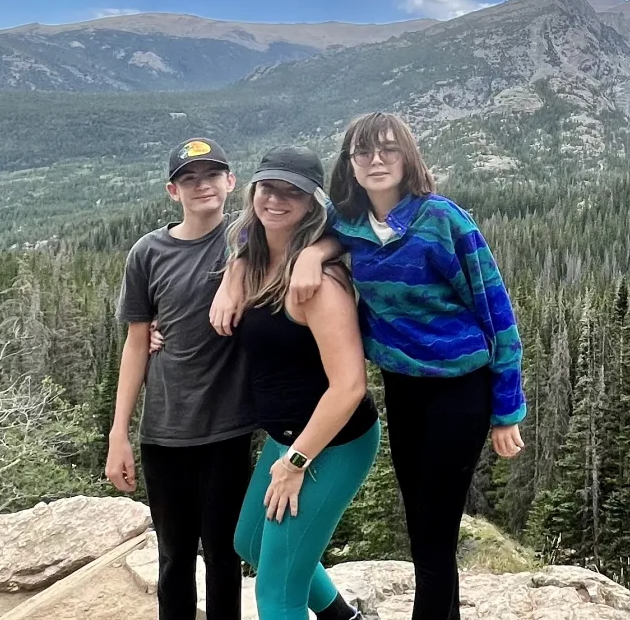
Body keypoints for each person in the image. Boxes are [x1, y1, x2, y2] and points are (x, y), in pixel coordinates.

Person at [213, 113, 525, 620]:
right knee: (420, 522)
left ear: (408, 158)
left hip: (458, 388)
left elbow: (497, 313)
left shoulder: (443, 220)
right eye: (364, 152)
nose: (376, 161)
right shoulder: (351, 221)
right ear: (350, 165)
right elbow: (288, 233)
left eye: (388, 150)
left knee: (433, 534)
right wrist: (282, 261)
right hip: (403, 387)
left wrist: (507, 410)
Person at [225, 145, 380, 620]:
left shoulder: (319, 284)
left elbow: (349, 386)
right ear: (253, 191)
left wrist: (295, 463)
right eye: (268, 188)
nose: (276, 199)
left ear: (313, 203)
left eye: (291, 192)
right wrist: (233, 272)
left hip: (331, 443)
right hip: (287, 435)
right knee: (250, 541)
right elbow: (246, 240)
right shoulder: (255, 260)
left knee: (277, 593)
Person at [107, 137, 256, 620]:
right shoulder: (147, 253)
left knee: (224, 556)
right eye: (189, 179)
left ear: (231, 181)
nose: (201, 185)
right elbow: (136, 343)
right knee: (173, 559)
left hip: (227, 429)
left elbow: (322, 221)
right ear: (173, 191)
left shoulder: (250, 236)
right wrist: (119, 434)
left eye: (211, 175)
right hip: (165, 431)